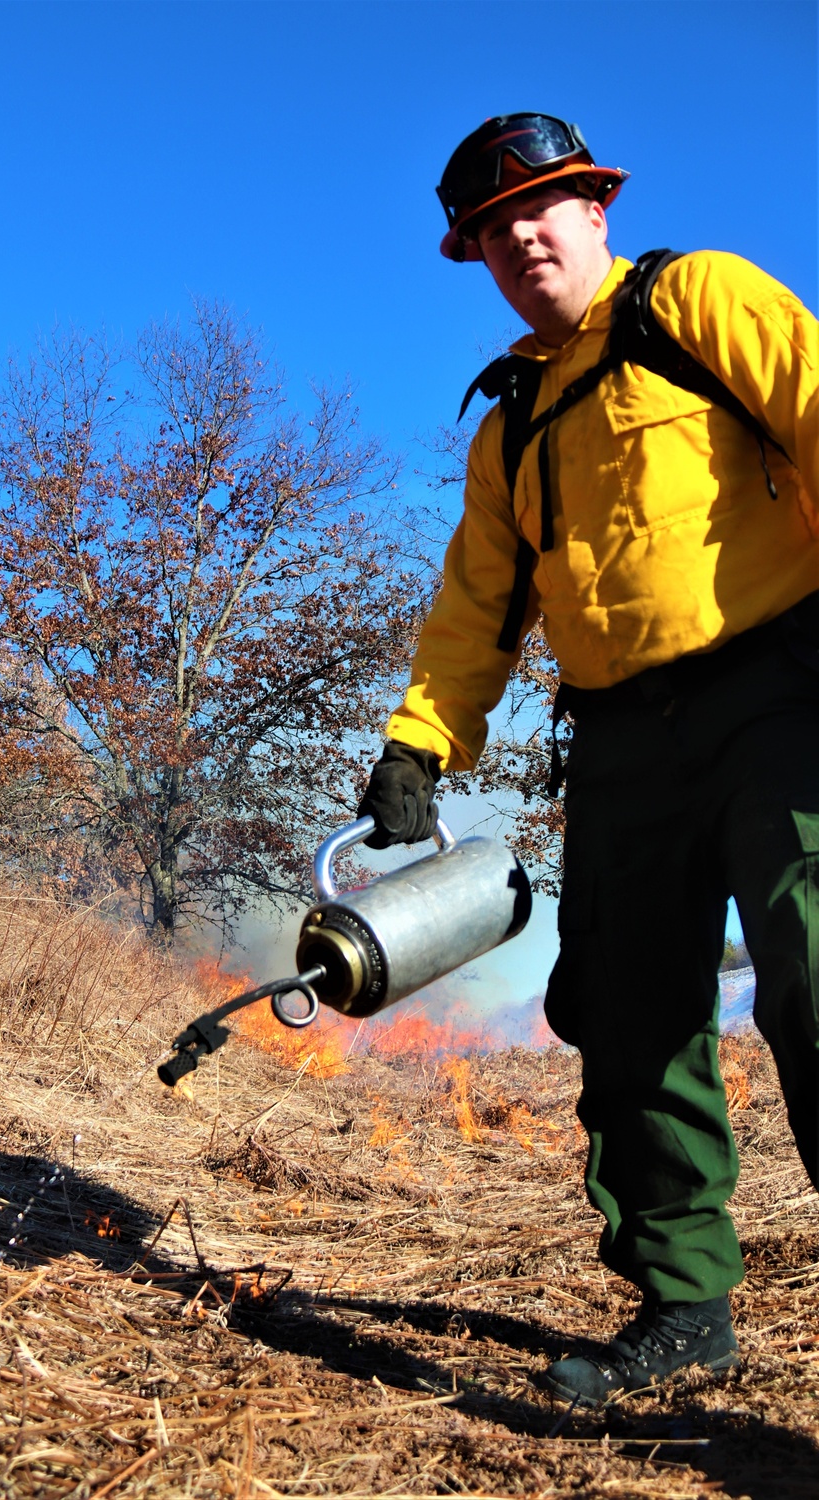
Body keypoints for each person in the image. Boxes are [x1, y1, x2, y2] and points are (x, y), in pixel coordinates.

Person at [357, 112, 819, 1406]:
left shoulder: (697, 302)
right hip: (619, 745)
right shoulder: (510, 429)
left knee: (817, 969)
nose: (521, 239)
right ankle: (683, 1306)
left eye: (542, 210)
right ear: (478, 259)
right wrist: (419, 741)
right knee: (627, 1019)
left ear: (597, 211)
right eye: (494, 231)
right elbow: (475, 606)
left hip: (778, 694)